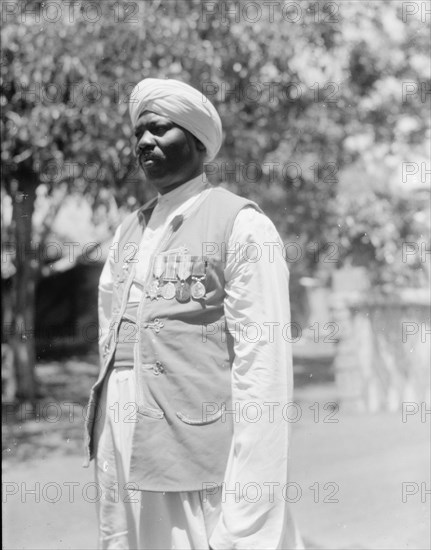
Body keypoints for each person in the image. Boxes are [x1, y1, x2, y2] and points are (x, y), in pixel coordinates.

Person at [84, 78, 303, 549]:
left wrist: (251, 499)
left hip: (200, 446)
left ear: (198, 141)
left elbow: (263, 368)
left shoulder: (242, 225)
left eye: (160, 129)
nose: (145, 141)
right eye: (139, 132)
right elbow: (111, 336)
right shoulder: (127, 232)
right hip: (122, 437)